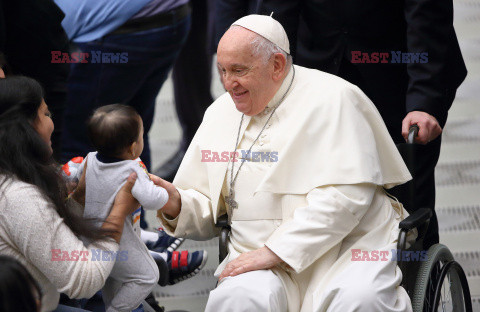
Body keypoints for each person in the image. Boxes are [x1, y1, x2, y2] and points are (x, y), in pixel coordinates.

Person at [152, 15, 414, 311]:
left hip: (348, 249)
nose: (228, 84)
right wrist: (176, 203)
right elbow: (208, 206)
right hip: (256, 253)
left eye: (238, 70)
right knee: (237, 299)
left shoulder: (336, 99)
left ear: (276, 65)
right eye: (222, 70)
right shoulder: (220, 113)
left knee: (360, 301)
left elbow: (346, 199)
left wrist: (277, 251)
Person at [259, 0, 468, 249]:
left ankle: (413, 271)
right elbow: (277, 16)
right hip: (321, 64)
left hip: (401, 77)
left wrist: (422, 103)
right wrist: (267, 82)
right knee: (316, 190)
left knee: (406, 198)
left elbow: (426, 21)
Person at [0, 76, 140, 312]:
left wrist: (79, 198)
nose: (52, 124)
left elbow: (44, 236)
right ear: (26, 128)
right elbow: (84, 280)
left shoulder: (12, 179)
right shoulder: (17, 197)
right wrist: (119, 210)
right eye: (46, 115)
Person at [82, 104, 207, 310]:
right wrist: (163, 190)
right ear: (133, 147)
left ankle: (112, 305)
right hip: (119, 239)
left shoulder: (90, 159)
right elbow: (152, 200)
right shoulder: (132, 169)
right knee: (148, 275)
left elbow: (78, 179)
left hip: (88, 236)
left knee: (114, 278)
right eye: (141, 136)